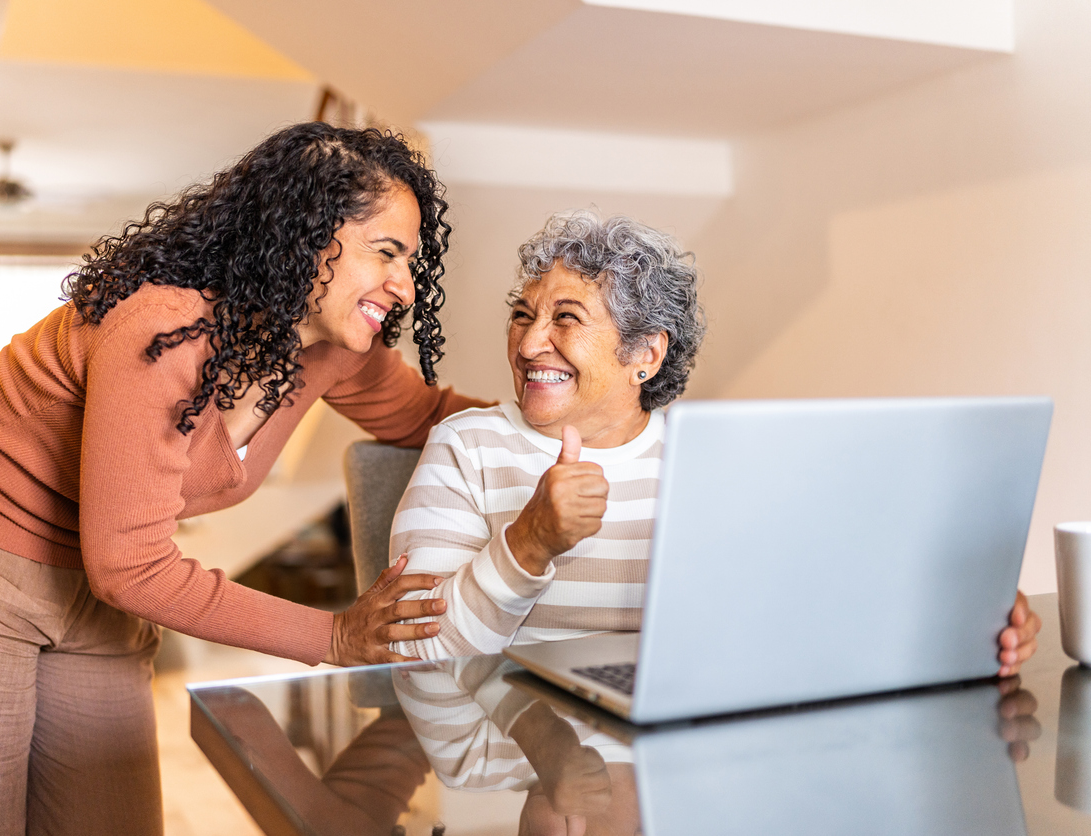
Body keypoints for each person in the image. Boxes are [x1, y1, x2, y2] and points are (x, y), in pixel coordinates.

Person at [0, 123, 485, 835]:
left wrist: (574, 404)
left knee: (111, 817)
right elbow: (132, 567)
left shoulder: (336, 351)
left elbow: (433, 418)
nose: (403, 285)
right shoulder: (166, 325)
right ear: (305, 234)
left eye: (411, 261)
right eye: (386, 253)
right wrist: (333, 636)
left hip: (90, 577)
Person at [388, 210, 1041, 674]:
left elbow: (815, 604)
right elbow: (411, 653)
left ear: (644, 353)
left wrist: (964, 613)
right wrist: (530, 543)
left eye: (565, 318)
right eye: (524, 315)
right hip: (511, 751)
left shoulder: (715, 462)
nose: (530, 344)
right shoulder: (465, 447)